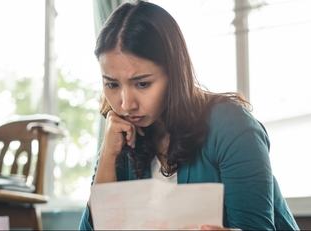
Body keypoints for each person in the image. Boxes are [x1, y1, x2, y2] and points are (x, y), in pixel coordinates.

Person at [79, 1, 299, 230]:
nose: (126, 104)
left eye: (143, 84)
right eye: (112, 85)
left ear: (174, 73)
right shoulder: (121, 135)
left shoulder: (232, 127)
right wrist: (107, 154)